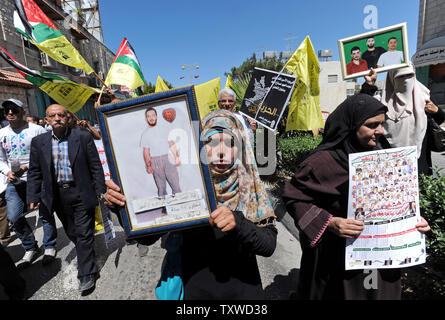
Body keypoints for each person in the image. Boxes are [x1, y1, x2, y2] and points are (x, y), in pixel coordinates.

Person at [104, 109, 277, 299]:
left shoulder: (250, 185)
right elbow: (147, 238)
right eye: (211, 142)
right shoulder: (187, 185)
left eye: (230, 143)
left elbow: (268, 246)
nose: (221, 151)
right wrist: (120, 205)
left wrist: (238, 222)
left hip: (244, 292)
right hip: (195, 290)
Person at [282, 93, 431, 300]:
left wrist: (413, 222)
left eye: (381, 124)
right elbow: (293, 198)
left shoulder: (386, 156)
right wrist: (330, 222)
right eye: (371, 125)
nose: (379, 131)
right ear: (351, 126)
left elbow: (400, 198)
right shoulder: (321, 163)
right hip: (336, 260)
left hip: (382, 259)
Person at [26, 104, 107, 294]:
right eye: (52, 116)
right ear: (46, 120)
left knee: (84, 232)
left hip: (80, 192)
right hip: (57, 196)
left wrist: (100, 189)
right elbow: (34, 172)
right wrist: (33, 195)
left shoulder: (82, 136)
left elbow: (95, 165)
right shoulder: (39, 142)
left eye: (61, 115)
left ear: (67, 117)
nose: (57, 118)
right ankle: (86, 251)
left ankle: (86, 273)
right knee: (73, 232)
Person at [0, 98, 57, 268]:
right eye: (7, 110)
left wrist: (28, 166)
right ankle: (31, 247)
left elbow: (49, 153)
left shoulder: (37, 130)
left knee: (45, 213)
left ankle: (49, 246)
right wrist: (7, 172)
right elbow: (1, 159)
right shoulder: (2, 133)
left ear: (23, 112)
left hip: (38, 178)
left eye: (14, 110)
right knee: (14, 216)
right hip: (15, 181)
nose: (10, 113)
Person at [364, 65, 443, 175]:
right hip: (390, 164)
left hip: (420, 162)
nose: (406, 80)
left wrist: (436, 111)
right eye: (400, 76)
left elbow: (438, 120)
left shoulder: (424, 97)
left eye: (409, 75)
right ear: (392, 78)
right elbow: (361, 111)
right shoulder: (381, 100)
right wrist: (369, 85)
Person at [140, 107, 181, 198]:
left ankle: (179, 205)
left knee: (175, 184)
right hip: (155, 161)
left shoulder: (164, 128)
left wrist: (177, 157)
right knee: (161, 187)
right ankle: (165, 207)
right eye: (148, 116)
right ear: (146, 118)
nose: (151, 118)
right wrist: (148, 166)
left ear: (157, 116)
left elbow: (171, 143)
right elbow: (146, 151)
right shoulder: (145, 134)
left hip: (168, 158)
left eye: (153, 115)